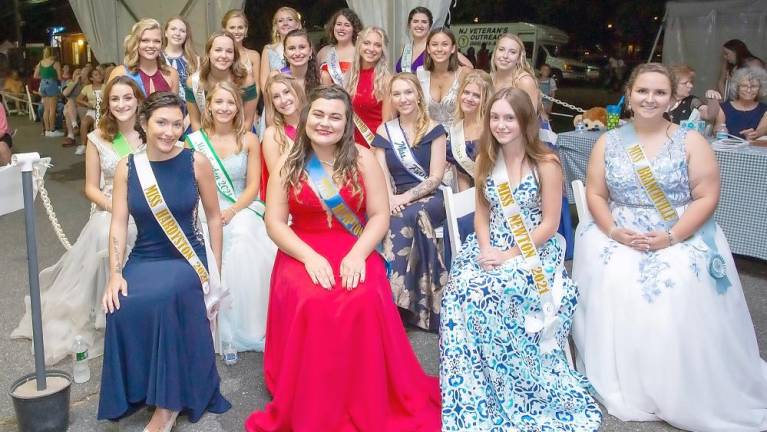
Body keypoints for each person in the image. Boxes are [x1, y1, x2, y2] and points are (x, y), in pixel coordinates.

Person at [573, 63, 767, 431]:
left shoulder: (691, 139)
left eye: (659, 92)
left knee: (678, 281)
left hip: (678, 229)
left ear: (671, 98)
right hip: (620, 230)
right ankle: (627, 378)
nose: (650, 99)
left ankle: (679, 381)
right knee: (612, 273)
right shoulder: (608, 141)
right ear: (629, 94)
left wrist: (673, 236)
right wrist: (614, 232)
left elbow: (707, 196)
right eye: (642, 91)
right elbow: (596, 193)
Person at [245, 84, 440, 431]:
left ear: (347, 122)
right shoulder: (288, 164)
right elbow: (274, 222)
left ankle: (363, 391)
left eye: (335, 117)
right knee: (312, 299)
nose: (325, 123)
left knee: (363, 295)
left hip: (354, 244)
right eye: (318, 114)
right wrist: (309, 258)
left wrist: (357, 254)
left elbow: (380, 215)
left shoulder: (363, 159)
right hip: (301, 249)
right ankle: (312, 396)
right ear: (306, 117)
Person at [440, 87, 602, 432]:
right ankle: (474, 387)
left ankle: (516, 386)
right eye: (495, 117)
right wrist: (485, 249)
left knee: (493, 292)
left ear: (524, 120)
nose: (500, 124)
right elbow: (482, 216)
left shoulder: (547, 163)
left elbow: (549, 223)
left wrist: (510, 255)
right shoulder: (486, 158)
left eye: (508, 117)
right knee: (460, 290)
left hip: (532, 249)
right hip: (490, 246)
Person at [98, 91, 231, 430]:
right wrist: (115, 273)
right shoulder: (128, 168)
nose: (170, 131)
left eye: (177, 123)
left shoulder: (195, 161)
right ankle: (140, 388)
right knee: (121, 302)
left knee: (164, 298)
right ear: (144, 123)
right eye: (161, 122)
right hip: (145, 255)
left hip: (187, 258)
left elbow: (214, 218)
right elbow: (117, 223)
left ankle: (168, 404)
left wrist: (214, 269)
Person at [11, 76, 145, 364]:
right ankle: (107, 312)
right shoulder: (98, 137)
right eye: (115, 99)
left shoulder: (151, 132)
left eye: (128, 97)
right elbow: (90, 188)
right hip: (112, 206)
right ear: (107, 104)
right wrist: (115, 208)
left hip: (149, 205)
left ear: (138, 100)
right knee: (103, 232)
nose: (122, 104)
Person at [186, 81, 276, 352]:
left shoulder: (248, 139)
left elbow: (252, 186)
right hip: (203, 206)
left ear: (238, 107)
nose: (224, 108)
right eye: (219, 102)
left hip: (240, 205)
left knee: (245, 235)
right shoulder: (193, 141)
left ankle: (248, 322)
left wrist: (233, 210)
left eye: (230, 102)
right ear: (209, 106)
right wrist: (211, 212)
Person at [372, 73, 447, 331]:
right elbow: (380, 174)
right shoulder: (385, 131)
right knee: (391, 216)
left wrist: (404, 198)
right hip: (395, 198)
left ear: (418, 95)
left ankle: (395, 305)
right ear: (391, 99)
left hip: (432, 197)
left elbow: (436, 177)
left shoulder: (435, 129)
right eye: (396, 94)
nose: (403, 99)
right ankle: (398, 301)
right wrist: (390, 199)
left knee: (407, 215)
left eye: (408, 92)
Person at [492, 33, 573, 259]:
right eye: (501, 50)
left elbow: (530, 120)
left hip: (531, 142)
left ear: (520, 57)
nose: (505, 56)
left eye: (512, 51)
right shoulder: (492, 78)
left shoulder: (523, 80)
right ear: (494, 52)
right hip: (504, 140)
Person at [185, 31, 258, 131]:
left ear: (234, 56)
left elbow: (247, 121)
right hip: (205, 133)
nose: (223, 55)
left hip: (239, 132)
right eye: (218, 50)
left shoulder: (246, 81)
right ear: (209, 53)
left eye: (229, 51)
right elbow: (196, 122)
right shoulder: (194, 82)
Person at [108, 18, 180, 97]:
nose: (151, 45)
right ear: (136, 43)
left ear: (162, 44)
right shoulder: (120, 72)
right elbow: (108, 106)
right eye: (145, 40)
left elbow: (175, 108)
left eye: (157, 41)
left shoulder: (172, 74)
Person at [447, 70, 493, 192]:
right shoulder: (455, 128)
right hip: (470, 194)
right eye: (466, 92)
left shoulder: (491, 128)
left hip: (496, 194)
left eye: (476, 95)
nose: (469, 98)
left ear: (485, 100)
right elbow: (461, 172)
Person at [261, 74, 305, 200]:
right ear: (272, 103)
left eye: (287, 92)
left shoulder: (314, 124)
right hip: (292, 199)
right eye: (276, 97)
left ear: (297, 91)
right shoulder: (272, 134)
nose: (283, 100)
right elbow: (278, 182)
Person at [346, 26, 392, 147]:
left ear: (383, 50)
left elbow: (387, 123)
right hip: (350, 144)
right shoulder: (349, 76)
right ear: (359, 45)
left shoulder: (387, 80)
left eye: (377, 45)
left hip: (373, 144)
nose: (371, 49)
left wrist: (377, 148)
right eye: (366, 43)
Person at [417, 28, 470, 131]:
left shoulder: (464, 73)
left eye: (445, 44)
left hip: (457, 140)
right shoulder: (420, 73)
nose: (439, 49)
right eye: (434, 44)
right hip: (427, 137)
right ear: (428, 49)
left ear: (453, 48)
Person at [396, 7, 472, 74]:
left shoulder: (435, 47)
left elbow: (469, 67)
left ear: (430, 26)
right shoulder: (406, 48)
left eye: (424, 22)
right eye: (415, 21)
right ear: (409, 25)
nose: (419, 25)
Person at [714, 66, 767, 143]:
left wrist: (755, 134)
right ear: (737, 87)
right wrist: (718, 130)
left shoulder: (765, 110)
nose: (749, 90)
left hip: (753, 153)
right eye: (744, 86)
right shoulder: (723, 108)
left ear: (760, 88)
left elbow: (762, 129)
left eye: (754, 86)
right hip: (726, 151)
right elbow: (717, 129)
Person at [222, 10, 261, 107]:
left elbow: (256, 87)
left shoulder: (254, 56)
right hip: (224, 107)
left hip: (247, 108)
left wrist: (252, 110)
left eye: (240, 27)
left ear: (246, 30)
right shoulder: (219, 56)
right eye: (232, 27)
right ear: (224, 30)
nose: (236, 31)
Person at [259, 6, 301, 92]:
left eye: (290, 19)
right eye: (280, 21)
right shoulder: (268, 50)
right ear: (276, 26)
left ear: (297, 24)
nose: (285, 23)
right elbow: (264, 84)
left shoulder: (305, 47)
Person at [318, 8, 362, 87]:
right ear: (333, 27)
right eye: (338, 24)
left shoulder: (360, 52)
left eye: (347, 25)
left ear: (354, 29)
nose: (341, 28)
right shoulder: (324, 52)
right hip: (328, 98)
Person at [271, 29, 320, 99]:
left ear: (310, 51)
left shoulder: (321, 77)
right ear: (285, 53)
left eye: (302, 47)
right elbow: (270, 108)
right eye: (292, 48)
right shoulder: (276, 76)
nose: (297, 53)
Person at [162, 16, 199, 102]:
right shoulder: (156, 58)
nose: (177, 33)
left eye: (182, 31)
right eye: (173, 29)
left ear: (186, 35)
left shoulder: (195, 60)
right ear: (165, 33)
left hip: (191, 111)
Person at [75, 67, 105, 155]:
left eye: (99, 74)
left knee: (97, 124)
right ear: (91, 78)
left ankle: (100, 147)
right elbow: (78, 99)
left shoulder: (105, 86)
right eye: (96, 75)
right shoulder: (87, 88)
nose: (99, 76)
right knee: (84, 122)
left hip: (103, 111)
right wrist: (86, 103)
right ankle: (83, 145)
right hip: (92, 111)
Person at [35, 46, 63, 137]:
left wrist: (44, 77)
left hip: (43, 84)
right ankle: (52, 130)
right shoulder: (55, 63)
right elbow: (59, 77)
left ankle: (46, 130)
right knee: (52, 109)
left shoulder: (40, 63)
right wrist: (54, 77)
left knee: (46, 109)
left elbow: (35, 76)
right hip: (52, 84)